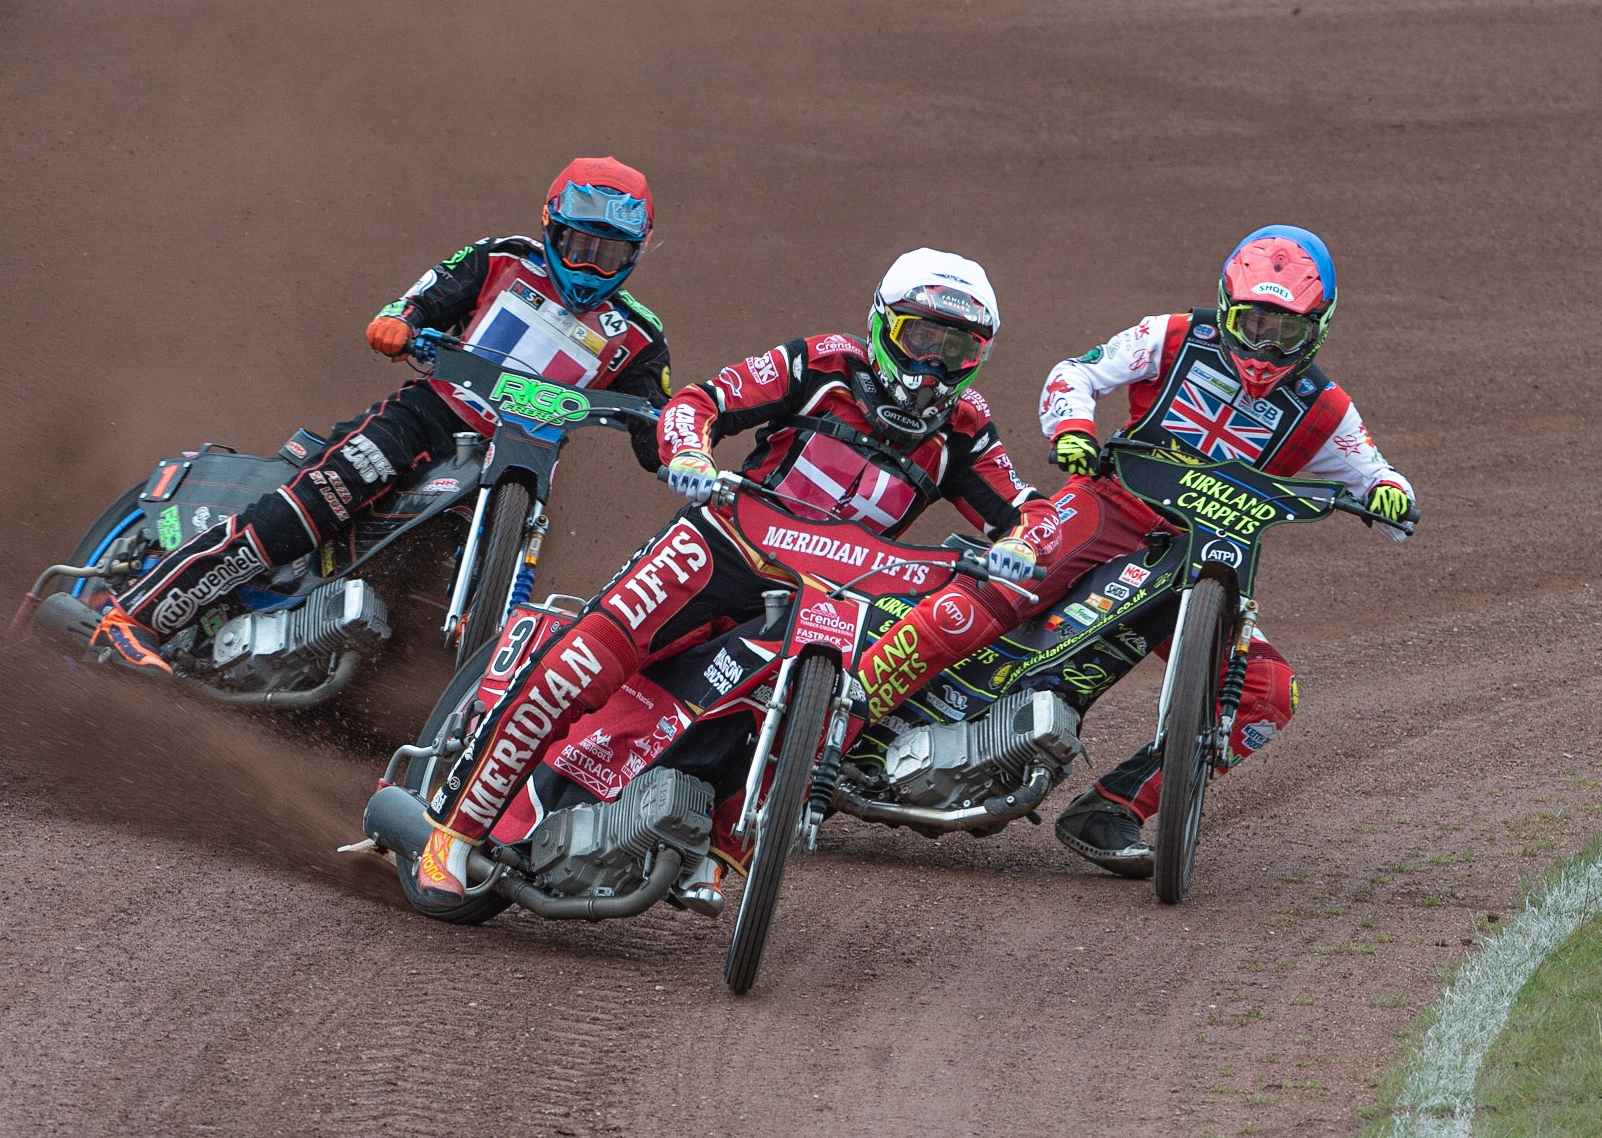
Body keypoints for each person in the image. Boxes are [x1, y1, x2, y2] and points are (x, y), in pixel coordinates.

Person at [410, 248, 1063, 907]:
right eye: (919, 338)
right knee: (580, 665)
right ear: (882, 326)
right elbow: (703, 401)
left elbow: (1031, 510)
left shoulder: (967, 427)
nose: (931, 366)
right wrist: (689, 451)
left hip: (821, 597)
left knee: (802, 712)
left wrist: (1024, 545)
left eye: (956, 350)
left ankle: (719, 845)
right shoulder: (822, 363)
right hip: (720, 545)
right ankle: (454, 832)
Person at [91, 157, 672, 671]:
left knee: (510, 575)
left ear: (636, 254)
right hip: (429, 417)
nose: (590, 266)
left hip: (522, 464)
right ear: (551, 229)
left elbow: (662, 427)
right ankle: (138, 616)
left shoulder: (641, 338)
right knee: (329, 493)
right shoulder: (501, 258)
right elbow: (423, 299)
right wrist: (400, 322)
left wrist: (681, 448)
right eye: (578, 247)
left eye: (610, 255)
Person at [1032, 224, 1416, 877]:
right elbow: (1077, 372)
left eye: (1286, 329)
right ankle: (854, 716)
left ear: (1317, 329)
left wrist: (1390, 495)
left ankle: (1111, 808)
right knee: (997, 585)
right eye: (1253, 320)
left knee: (1268, 693)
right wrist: (1072, 429)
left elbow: (1382, 481)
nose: (1264, 342)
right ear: (1227, 305)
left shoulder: (1324, 406)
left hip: (1205, 560)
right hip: (1108, 511)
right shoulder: (1173, 334)